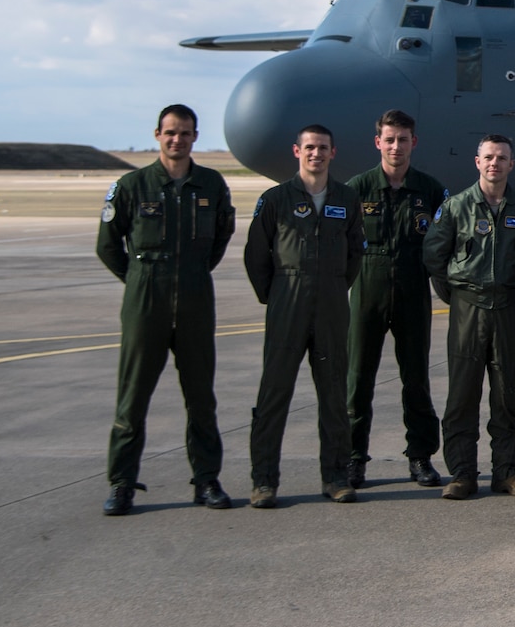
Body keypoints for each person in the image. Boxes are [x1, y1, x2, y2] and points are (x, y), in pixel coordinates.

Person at [96, 105, 237, 515]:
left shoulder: (211, 184)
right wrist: (141, 280)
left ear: (195, 137)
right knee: (133, 397)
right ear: (157, 134)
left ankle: (207, 480)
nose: (178, 140)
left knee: (201, 398)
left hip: (195, 299)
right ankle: (121, 483)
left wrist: (190, 272)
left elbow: (221, 235)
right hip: (146, 303)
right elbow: (107, 245)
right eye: (171, 133)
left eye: (186, 133)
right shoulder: (132, 185)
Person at [244, 125, 366, 507]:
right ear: (297, 151)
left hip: (331, 302)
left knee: (333, 395)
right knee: (274, 395)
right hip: (288, 302)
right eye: (310, 147)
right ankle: (264, 481)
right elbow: (256, 255)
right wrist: (277, 294)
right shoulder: (276, 199)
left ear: (333, 153)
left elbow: (354, 255)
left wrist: (331, 285)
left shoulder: (347, 199)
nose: (316, 154)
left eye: (323, 148)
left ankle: (335, 476)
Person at [424, 135, 515, 499]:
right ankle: (462, 474)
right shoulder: (457, 207)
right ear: (477, 162)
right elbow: (434, 257)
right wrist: (460, 294)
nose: (495, 163)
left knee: (507, 394)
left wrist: (508, 290)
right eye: (488, 157)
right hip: (467, 308)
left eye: (502, 158)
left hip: (507, 308)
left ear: (511, 164)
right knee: (462, 395)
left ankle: (507, 471)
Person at [344, 109, 449, 491]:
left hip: (412, 290)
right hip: (367, 289)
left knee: (416, 379)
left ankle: (420, 457)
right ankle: (353, 459)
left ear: (413, 143)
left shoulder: (430, 190)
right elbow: (342, 242)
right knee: (358, 380)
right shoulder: (357, 189)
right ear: (378, 143)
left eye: (403, 139)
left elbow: (443, 243)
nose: (396, 146)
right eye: (389, 139)